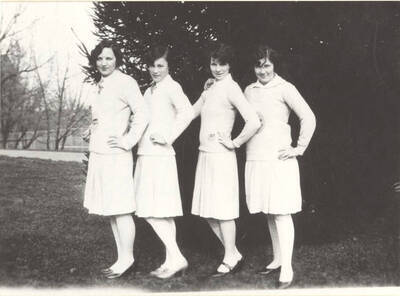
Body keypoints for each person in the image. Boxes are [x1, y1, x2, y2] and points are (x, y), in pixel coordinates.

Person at [244, 45, 316, 289]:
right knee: (268, 210)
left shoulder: (285, 88)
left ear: (274, 65)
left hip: (278, 159)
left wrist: (299, 147)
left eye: (266, 65)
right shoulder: (249, 90)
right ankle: (276, 259)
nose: (262, 70)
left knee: (281, 212)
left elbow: (308, 117)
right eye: (258, 65)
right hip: (256, 156)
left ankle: (287, 267)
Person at [191, 42, 261, 277]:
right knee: (207, 211)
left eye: (222, 64)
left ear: (230, 65)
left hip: (222, 157)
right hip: (206, 154)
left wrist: (235, 142)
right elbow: (192, 112)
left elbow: (253, 121)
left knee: (222, 210)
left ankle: (230, 255)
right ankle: (233, 253)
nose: (217, 68)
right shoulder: (211, 87)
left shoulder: (232, 88)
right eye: (213, 63)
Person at [83, 40, 149, 279]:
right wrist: (91, 129)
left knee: (120, 209)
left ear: (117, 60)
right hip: (100, 154)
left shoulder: (125, 82)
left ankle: (128, 258)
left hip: (116, 156)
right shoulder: (101, 84)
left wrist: (127, 140)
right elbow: (104, 117)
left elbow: (142, 113)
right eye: (100, 58)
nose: (103, 63)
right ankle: (121, 258)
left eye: (108, 58)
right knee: (111, 209)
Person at [133, 44, 194, 279]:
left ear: (169, 67)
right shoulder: (150, 90)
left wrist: (167, 137)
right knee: (162, 212)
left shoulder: (171, 87)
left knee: (149, 209)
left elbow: (187, 112)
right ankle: (171, 261)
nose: (155, 70)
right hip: (147, 154)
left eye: (160, 66)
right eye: (152, 65)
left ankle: (177, 257)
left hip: (159, 155)